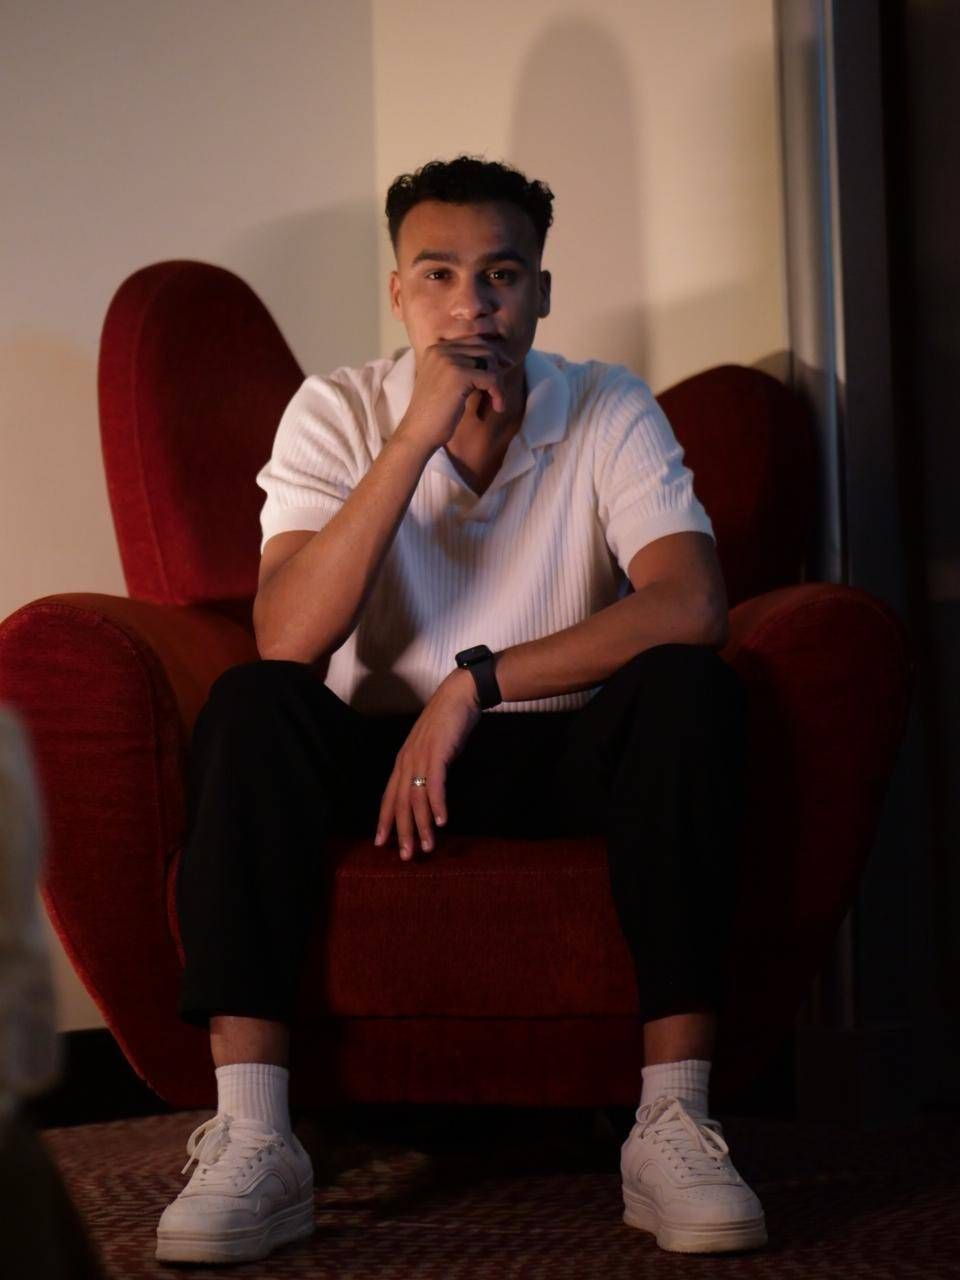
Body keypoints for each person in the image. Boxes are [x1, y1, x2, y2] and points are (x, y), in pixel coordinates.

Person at [156, 154, 767, 1264]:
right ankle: (254, 1135)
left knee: (691, 687)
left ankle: (673, 1120)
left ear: (541, 290)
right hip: (370, 759)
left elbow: (692, 602)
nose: (472, 304)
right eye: (438, 274)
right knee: (252, 702)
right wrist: (414, 438)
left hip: (553, 748)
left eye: (502, 274)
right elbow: (288, 636)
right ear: (399, 292)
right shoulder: (335, 409)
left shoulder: (606, 403)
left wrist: (474, 683)